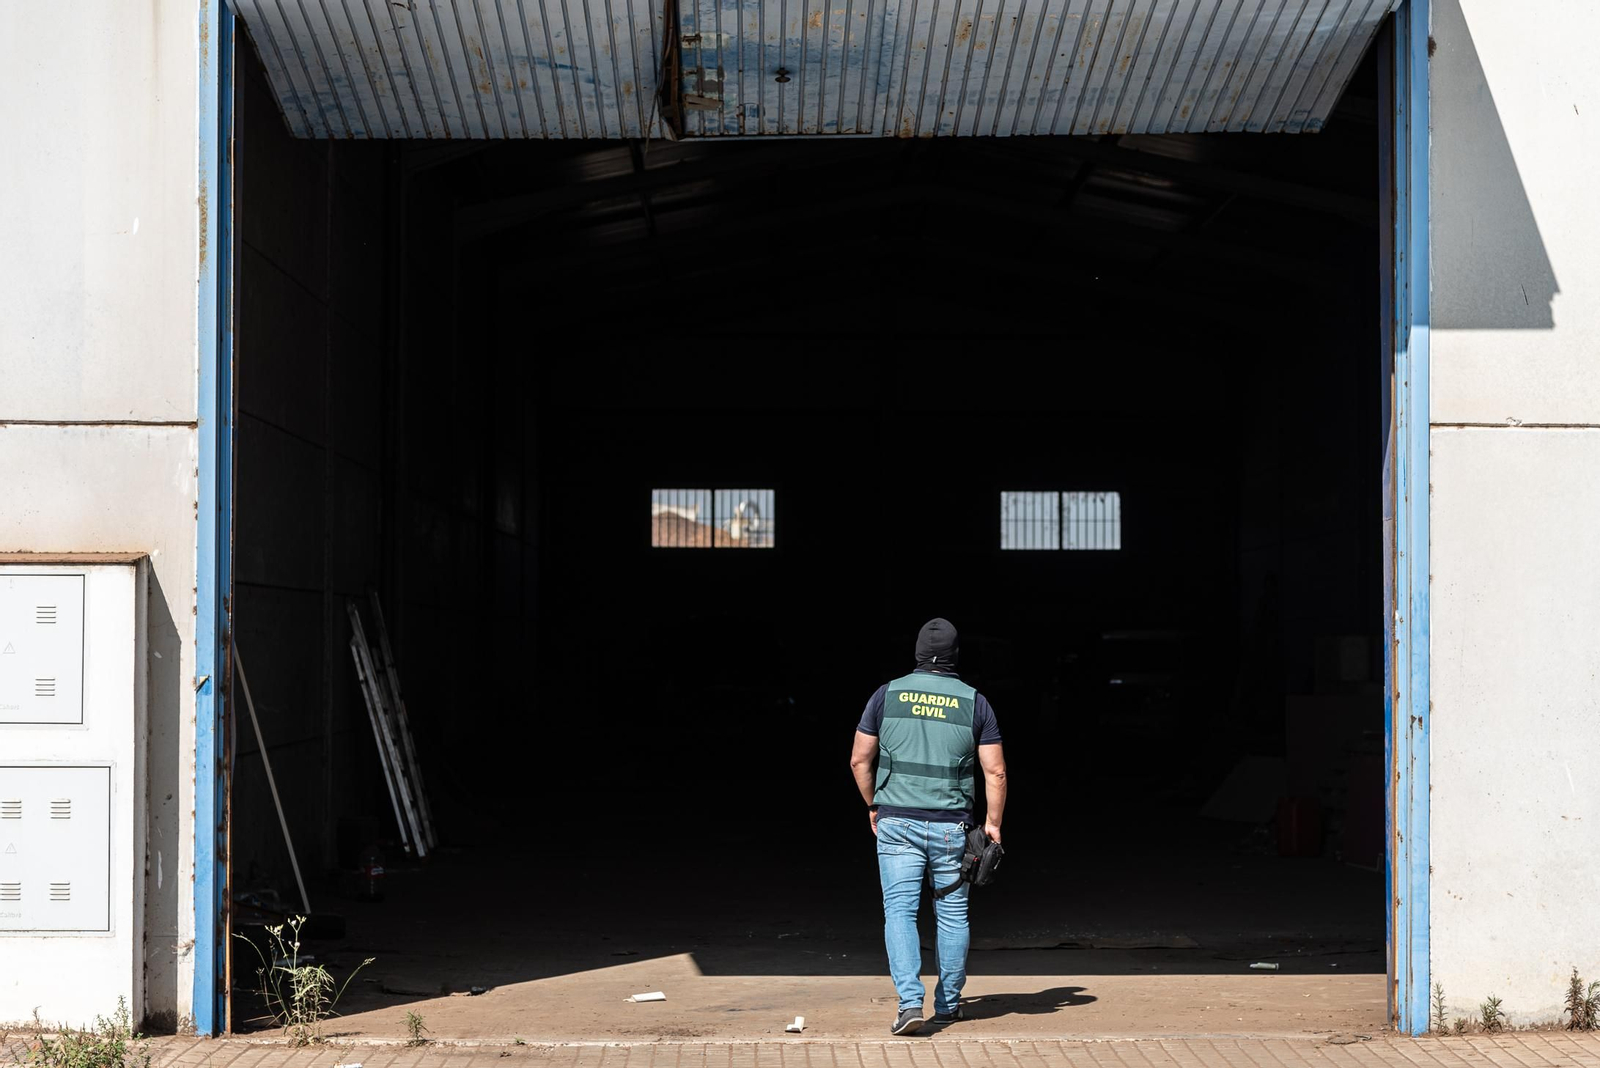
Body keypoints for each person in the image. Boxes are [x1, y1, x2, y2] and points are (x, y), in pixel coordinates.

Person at [849, 618, 1007, 1035]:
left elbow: (859, 759)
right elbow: (996, 773)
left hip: (896, 822)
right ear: (955, 656)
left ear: (917, 652)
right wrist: (993, 824)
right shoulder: (976, 702)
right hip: (951, 828)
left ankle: (908, 1005)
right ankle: (949, 1004)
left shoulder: (886, 695)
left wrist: (873, 805)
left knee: (899, 913)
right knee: (953, 915)